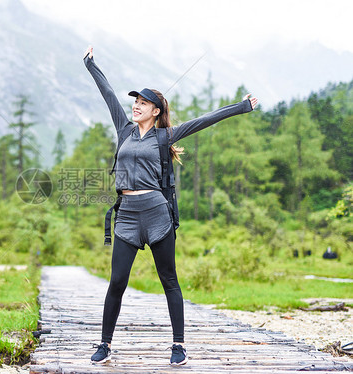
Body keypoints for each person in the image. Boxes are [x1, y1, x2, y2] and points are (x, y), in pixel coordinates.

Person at [83, 46, 258, 366]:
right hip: (127, 216)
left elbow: (206, 119)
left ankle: (178, 345)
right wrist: (90, 63)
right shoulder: (124, 129)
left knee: (169, 280)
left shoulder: (165, 136)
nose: (136, 106)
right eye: (135, 101)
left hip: (156, 214)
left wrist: (242, 106)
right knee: (117, 281)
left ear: (156, 111)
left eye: (143, 103)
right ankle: (105, 344)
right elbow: (107, 93)